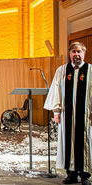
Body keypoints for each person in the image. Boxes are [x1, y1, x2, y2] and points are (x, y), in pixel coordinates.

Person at [44, 42, 91, 185]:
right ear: (70, 54)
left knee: (86, 143)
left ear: (84, 54)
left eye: (79, 52)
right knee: (68, 143)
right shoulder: (62, 70)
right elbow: (56, 90)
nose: (76, 54)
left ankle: (85, 176)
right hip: (67, 115)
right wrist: (56, 111)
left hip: (86, 116)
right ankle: (71, 174)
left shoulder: (90, 70)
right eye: (74, 52)